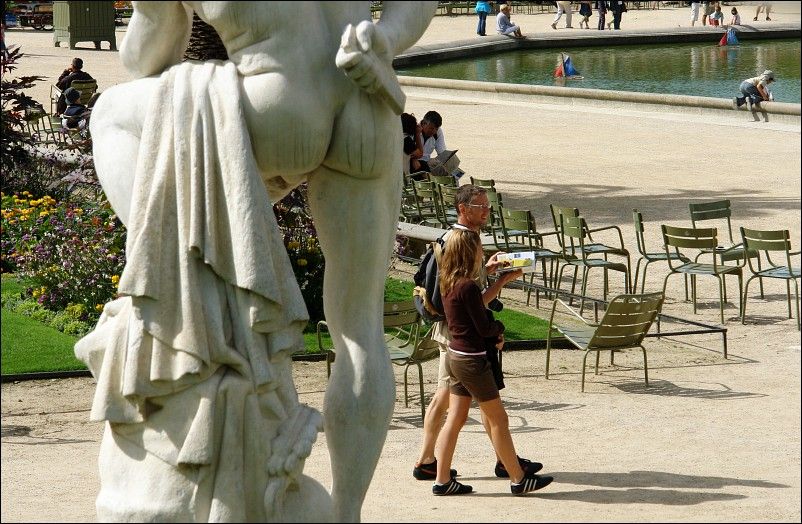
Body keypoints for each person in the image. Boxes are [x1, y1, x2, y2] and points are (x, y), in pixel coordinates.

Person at [84, 2, 438, 522]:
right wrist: (387, 37)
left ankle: (179, 267)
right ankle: (347, 514)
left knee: (111, 113)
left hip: (281, 102)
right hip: (367, 100)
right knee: (361, 330)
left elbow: (147, 55)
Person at [413, 185, 543, 483]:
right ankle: (428, 462)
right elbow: (464, 295)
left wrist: (489, 271)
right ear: (463, 209)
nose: (486, 211)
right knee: (452, 399)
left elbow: (464, 288)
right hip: (458, 333)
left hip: (458, 329)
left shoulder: (458, 237)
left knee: (471, 398)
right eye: (480, 206)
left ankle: (501, 461)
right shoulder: (460, 239)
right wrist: (496, 286)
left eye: (488, 206)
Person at [431, 228, 554, 496]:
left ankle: (442, 480)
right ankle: (518, 478)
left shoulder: (449, 281)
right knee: (499, 419)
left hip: (455, 356)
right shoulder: (467, 286)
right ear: (469, 253)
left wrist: (501, 281)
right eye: (479, 248)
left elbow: (475, 305)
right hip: (472, 362)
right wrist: (499, 329)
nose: (482, 252)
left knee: (455, 419)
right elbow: (484, 326)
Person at [401, 112, 425, 178]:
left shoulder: (394, 137)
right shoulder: (406, 139)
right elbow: (420, 154)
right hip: (403, 178)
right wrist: (417, 134)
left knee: (415, 161)